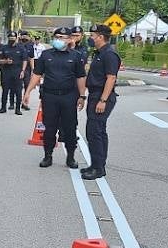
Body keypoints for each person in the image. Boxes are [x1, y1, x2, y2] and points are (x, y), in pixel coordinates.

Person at [22, 27, 87, 169]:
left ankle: (70, 157)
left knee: (70, 128)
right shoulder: (46, 55)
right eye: (56, 37)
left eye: (62, 37)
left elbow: (80, 77)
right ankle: (48, 156)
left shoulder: (75, 56)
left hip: (69, 97)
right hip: (50, 96)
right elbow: (37, 74)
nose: (58, 40)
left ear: (70, 39)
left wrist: (82, 96)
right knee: (49, 128)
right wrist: (27, 92)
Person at [82, 24, 121, 180]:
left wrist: (103, 100)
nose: (90, 38)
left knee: (95, 132)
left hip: (102, 96)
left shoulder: (109, 54)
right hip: (94, 95)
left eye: (93, 35)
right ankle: (97, 165)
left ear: (100, 37)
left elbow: (111, 78)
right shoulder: (99, 53)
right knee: (97, 131)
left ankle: (98, 168)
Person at [0, 32, 27, 115]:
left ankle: (17, 109)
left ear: (16, 38)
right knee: (5, 90)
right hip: (6, 72)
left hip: (17, 72)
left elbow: (25, 60)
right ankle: (3, 108)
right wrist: (6, 61)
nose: (11, 40)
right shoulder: (4, 48)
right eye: (10, 39)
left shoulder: (21, 48)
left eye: (13, 39)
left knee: (18, 91)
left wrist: (23, 71)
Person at [19, 31, 35, 110]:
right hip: (17, 68)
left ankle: (24, 102)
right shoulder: (17, 45)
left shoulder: (30, 46)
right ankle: (14, 102)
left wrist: (33, 70)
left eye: (26, 36)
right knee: (17, 86)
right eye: (23, 36)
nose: (24, 37)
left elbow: (31, 58)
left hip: (27, 69)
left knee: (27, 86)